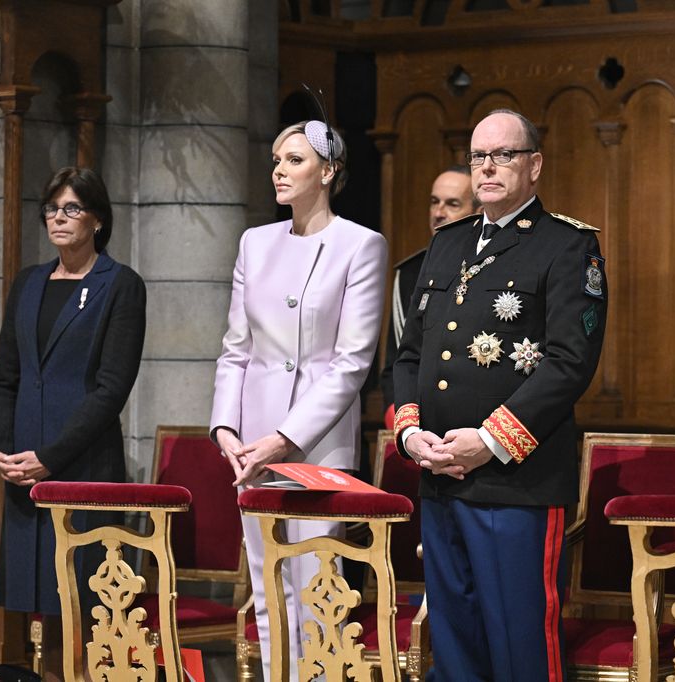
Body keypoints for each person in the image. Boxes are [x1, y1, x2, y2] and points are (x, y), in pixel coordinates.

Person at [392, 109, 607, 681]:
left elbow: (569, 363)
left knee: (519, 649)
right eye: (478, 156)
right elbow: (411, 354)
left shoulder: (567, 246)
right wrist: (412, 435)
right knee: (456, 645)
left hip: (517, 483)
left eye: (503, 155)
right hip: (440, 475)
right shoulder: (447, 244)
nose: (488, 167)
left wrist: (490, 440)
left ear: (534, 165)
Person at [209, 120, 387, 680]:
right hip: (250, 449)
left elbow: (352, 362)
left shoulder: (361, 244)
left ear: (328, 172)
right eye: (276, 160)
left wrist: (284, 440)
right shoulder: (254, 243)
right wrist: (225, 431)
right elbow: (235, 350)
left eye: (294, 160)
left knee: (316, 592)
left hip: (316, 448)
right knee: (266, 593)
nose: (278, 171)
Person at [0, 167, 146, 623]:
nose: (59, 218)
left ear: (97, 219)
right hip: (24, 469)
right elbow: (5, 378)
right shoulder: (28, 283)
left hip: (82, 467)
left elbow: (111, 388)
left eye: (72, 208)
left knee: (83, 605)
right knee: (36, 606)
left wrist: (51, 457)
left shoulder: (120, 285)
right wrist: (0, 451)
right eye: (52, 209)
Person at [380, 165, 479, 423]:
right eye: (434, 202)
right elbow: (399, 359)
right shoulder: (411, 272)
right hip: (420, 419)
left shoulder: (495, 267)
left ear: (478, 212)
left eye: (452, 204)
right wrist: (403, 420)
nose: (438, 213)